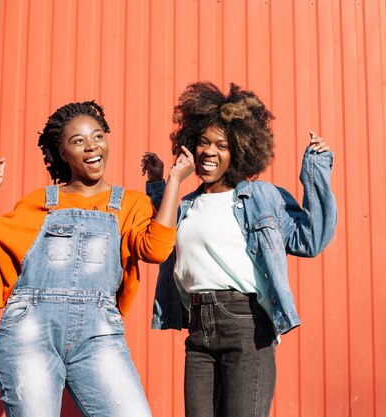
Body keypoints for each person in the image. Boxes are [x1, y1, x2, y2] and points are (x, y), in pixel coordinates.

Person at [0, 101, 194, 417]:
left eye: (98, 136)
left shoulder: (130, 203)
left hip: (99, 334)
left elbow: (156, 250)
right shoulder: (41, 202)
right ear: (63, 153)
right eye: (78, 141)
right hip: (30, 332)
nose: (92, 147)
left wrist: (173, 182)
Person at [141, 82, 337, 417]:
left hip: (246, 324)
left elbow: (310, 239)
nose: (209, 152)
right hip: (199, 328)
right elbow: (159, 236)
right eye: (203, 142)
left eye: (222, 144)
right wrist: (163, 182)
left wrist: (316, 169)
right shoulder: (186, 206)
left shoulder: (260, 197)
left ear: (239, 151)